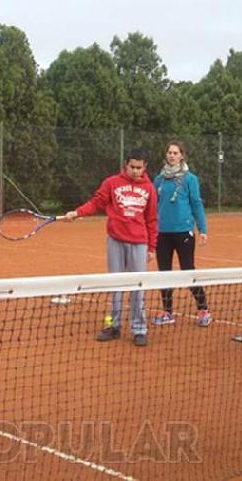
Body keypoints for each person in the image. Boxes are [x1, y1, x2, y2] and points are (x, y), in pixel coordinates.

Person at [64, 148, 158, 347]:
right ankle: (114, 326)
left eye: (139, 167)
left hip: (139, 242)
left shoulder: (149, 189)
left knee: (138, 287)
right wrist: (78, 212)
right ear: (126, 165)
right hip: (115, 240)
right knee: (115, 284)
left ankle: (139, 329)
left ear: (145, 167)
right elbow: (96, 202)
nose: (135, 171)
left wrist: (151, 247)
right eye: (132, 166)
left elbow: (151, 219)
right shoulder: (111, 183)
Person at [151, 140, 211, 327]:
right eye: (169, 152)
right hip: (162, 233)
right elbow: (152, 207)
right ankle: (167, 312)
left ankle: (203, 310)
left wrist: (202, 229)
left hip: (183, 231)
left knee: (187, 270)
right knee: (164, 273)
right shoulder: (159, 180)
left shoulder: (190, 179)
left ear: (182, 156)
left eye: (175, 153)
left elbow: (196, 204)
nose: (171, 155)